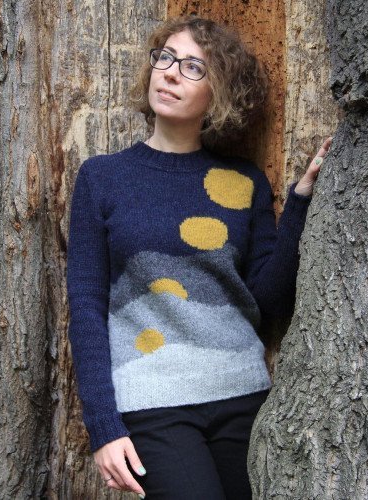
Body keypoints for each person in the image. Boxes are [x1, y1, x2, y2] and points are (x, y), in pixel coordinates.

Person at [66, 15, 332, 500]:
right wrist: (103, 426)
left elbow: (268, 300)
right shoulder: (102, 178)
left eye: (193, 67)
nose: (170, 73)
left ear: (218, 93)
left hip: (242, 397)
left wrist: (299, 203)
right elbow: (85, 308)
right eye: (165, 58)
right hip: (152, 403)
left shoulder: (244, 182)